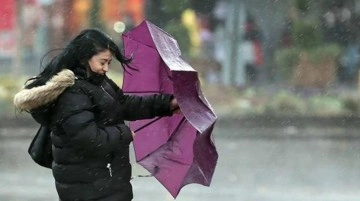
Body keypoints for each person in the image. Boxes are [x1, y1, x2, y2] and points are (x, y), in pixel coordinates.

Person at [13, 29, 180, 201]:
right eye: (102, 62)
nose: (106, 68)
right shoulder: (73, 93)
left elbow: (123, 104)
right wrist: (124, 133)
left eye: (109, 63)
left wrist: (167, 104)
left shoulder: (97, 82)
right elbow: (89, 138)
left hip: (104, 181)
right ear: (85, 57)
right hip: (87, 186)